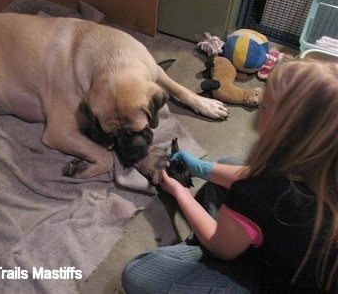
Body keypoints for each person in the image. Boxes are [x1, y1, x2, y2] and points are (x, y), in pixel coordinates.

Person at [122, 59, 338, 293]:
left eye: (265, 106)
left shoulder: (258, 193)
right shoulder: (323, 159)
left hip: (276, 283)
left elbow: (220, 246)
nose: (259, 111)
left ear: (283, 126)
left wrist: (181, 193)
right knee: (226, 166)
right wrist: (200, 168)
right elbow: (257, 179)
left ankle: (222, 253)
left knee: (139, 273)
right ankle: (242, 235)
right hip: (297, 257)